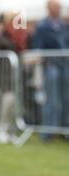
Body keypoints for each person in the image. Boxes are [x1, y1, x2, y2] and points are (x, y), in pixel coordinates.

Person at [32, 0, 69, 141]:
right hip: (51, 66)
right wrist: (47, 61)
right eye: (56, 7)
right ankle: (48, 131)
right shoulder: (42, 26)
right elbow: (38, 47)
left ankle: (64, 130)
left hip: (65, 66)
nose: (59, 10)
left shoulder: (63, 25)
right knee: (52, 100)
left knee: (66, 99)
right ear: (49, 8)